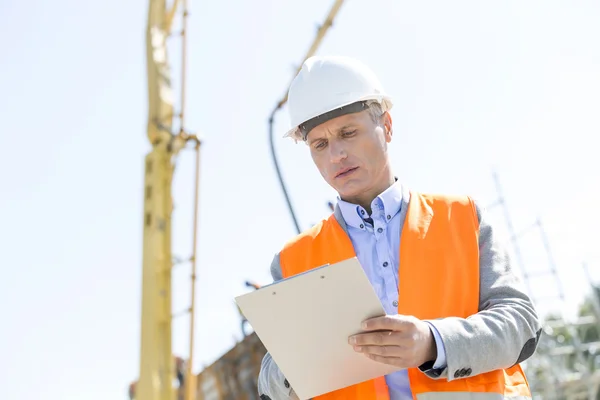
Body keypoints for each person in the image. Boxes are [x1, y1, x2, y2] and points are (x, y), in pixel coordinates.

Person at [257, 55, 542, 400]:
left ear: (387, 125)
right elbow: (268, 387)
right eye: (320, 144)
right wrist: (302, 360)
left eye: (348, 133)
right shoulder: (292, 261)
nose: (336, 155)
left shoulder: (461, 217)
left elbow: (522, 326)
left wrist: (432, 342)